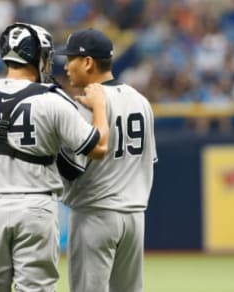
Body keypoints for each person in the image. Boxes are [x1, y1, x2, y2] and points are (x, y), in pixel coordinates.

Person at [0, 22, 109, 292]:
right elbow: (97, 149)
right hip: (37, 208)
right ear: (37, 56)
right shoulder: (53, 100)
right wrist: (100, 107)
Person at [55, 28, 158, 292]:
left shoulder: (83, 105)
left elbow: (71, 169)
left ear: (88, 62)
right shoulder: (141, 101)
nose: (66, 66)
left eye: (71, 59)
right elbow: (148, 161)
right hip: (135, 218)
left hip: (95, 215)